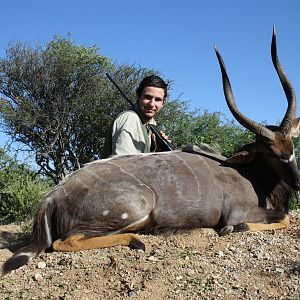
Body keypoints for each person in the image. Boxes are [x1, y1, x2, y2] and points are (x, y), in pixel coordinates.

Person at [102, 75, 170, 158]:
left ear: (163, 103)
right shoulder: (130, 119)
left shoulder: (151, 126)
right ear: (138, 96)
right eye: (148, 97)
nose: (152, 104)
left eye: (158, 99)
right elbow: (126, 164)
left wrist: (158, 150)